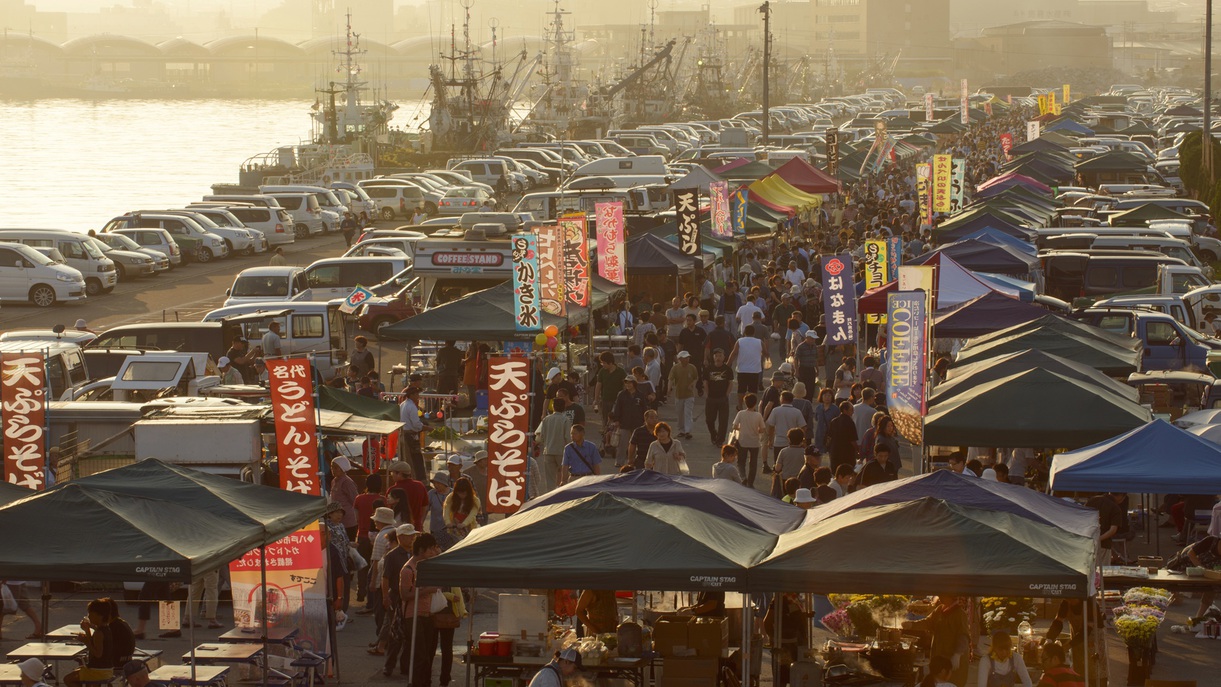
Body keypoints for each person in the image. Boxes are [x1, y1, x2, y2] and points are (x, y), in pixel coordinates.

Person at [394, 534, 442, 683]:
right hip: (413, 616)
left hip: (427, 614)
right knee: (420, 655)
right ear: (421, 550)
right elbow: (405, 595)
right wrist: (426, 590)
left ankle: (425, 682)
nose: (433, 552)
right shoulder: (408, 569)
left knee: (428, 653)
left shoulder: (425, 566)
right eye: (431, 549)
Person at [902, 596, 970, 687]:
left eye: (943, 594)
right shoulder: (939, 610)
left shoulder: (960, 614)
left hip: (952, 660)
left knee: (953, 683)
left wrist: (957, 654)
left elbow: (963, 636)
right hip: (938, 656)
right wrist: (911, 625)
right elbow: (928, 622)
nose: (940, 596)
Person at [65, 598, 119, 687]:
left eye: (91, 614)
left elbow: (98, 654)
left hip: (98, 671)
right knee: (79, 671)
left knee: (68, 679)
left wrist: (86, 642)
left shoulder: (99, 633)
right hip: (107, 669)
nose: (89, 617)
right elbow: (95, 644)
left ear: (100, 616)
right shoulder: (106, 629)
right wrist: (87, 630)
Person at [534, 398, 574, 490]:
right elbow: (568, 437)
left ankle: (550, 497)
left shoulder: (546, 420)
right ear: (564, 408)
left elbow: (541, 437)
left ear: (553, 406)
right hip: (562, 452)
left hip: (548, 451)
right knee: (565, 477)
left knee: (550, 479)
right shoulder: (566, 420)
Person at [610, 378, 647, 467]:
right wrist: (616, 420)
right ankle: (619, 461)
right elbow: (617, 407)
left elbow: (644, 408)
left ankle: (633, 461)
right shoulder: (622, 395)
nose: (628, 385)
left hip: (637, 423)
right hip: (624, 422)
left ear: (634, 384)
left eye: (630, 383)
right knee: (622, 444)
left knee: (636, 444)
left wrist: (645, 420)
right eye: (626, 383)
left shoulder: (640, 395)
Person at [732, 393, 766, 487]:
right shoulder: (758, 415)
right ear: (755, 403)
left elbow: (734, 426)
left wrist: (741, 429)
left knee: (741, 462)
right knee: (753, 463)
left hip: (743, 441)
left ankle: (743, 477)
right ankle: (750, 483)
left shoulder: (741, 413)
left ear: (744, 403)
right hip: (754, 442)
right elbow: (762, 429)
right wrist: (756, 430)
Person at [766, 392, 807, 471]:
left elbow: (771, 426)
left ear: (782, 399)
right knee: (793, 465)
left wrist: (770, 439)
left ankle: (779, 481)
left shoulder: (776, 410)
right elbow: (803, 427)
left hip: (779, 442)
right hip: (794, 443)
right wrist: (802, 440)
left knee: (778, 465)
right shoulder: (797, 412)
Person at [702, 348, 734, 445]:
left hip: (723, 398)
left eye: (720, 356)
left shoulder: (727, 369)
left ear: (724, 357)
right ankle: (713, 433)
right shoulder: (708, 369)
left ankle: (720, 440)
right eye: (716, 356)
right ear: (713, 357)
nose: (718, 358)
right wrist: (707, 394)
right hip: (711, 398)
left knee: (723, 421)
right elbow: (705, 382)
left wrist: (727, 395)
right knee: (709, 420)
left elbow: (730, 383)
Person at [668, 351, 700, 440]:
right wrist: (669, 390)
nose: (687, 359)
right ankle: (681, 430)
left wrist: (692, 384)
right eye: (685, 358)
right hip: (679, 394)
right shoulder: (675, 368)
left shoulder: (692, 367)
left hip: (689, 395)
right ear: (680, 359)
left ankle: (687, 431)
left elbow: (696, 378)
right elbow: (670, 379)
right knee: (680, 413)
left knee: (688, 413)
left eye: (688, 358)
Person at [728, 324, 765, 401]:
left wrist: (728, 364)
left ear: (744, 332)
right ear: (754, 333)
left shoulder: (739, 341)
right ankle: (752, 406)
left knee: (741, 389)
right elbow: (765, 353)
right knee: (753, 390)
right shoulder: (759, 342)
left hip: (742, 369)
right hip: (755, 370)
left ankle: (740, 405)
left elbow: (734, 353)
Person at [398, 387, 428, 483]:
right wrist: (427, 428)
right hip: (410, 435)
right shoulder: (411, 406)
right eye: (416, 394)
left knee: (406, 458)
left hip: (404, 434)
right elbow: (416, 424)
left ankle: (409, 478)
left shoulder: (402, 404)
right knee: (415, 460)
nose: (418, 396)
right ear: (411, 395)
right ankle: (416, 480)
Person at [443, 476, 480, 542]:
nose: (461, 495)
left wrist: (464, 524)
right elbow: (446, 510)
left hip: (470, 529)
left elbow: (472, 515)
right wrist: (448, 522)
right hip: (454, 529)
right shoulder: (451, 497)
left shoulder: (475, 501)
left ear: (468, 492)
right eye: (458, 493)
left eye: (463, 493)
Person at [329, 456, 359, 538]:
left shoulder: (347, 482)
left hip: (348, 521)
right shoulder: (334, 481)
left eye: (336, 468)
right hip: (337, 520)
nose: (333, 470)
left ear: (343, 468)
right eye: (332, 467)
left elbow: (355, 500)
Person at [593, 352, 627, 421]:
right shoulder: (602, 371)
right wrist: (596, 399)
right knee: (605, 418)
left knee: (617, 418)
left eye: (604, 363)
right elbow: (598, 385)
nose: (603, 365)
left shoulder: (621, 372)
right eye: (602, 363)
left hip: (617, 400)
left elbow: (625, 385)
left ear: (610, 363)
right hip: (605, 400)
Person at [826, 401, 858, 473]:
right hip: (847, 453)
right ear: (844, 410)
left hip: (835, 452)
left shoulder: (834, 421)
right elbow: (852, 440)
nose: (853, 412)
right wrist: (857, 450)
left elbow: (829, 437)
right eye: (851, 410)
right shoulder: (850, 422)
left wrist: (829, 448)